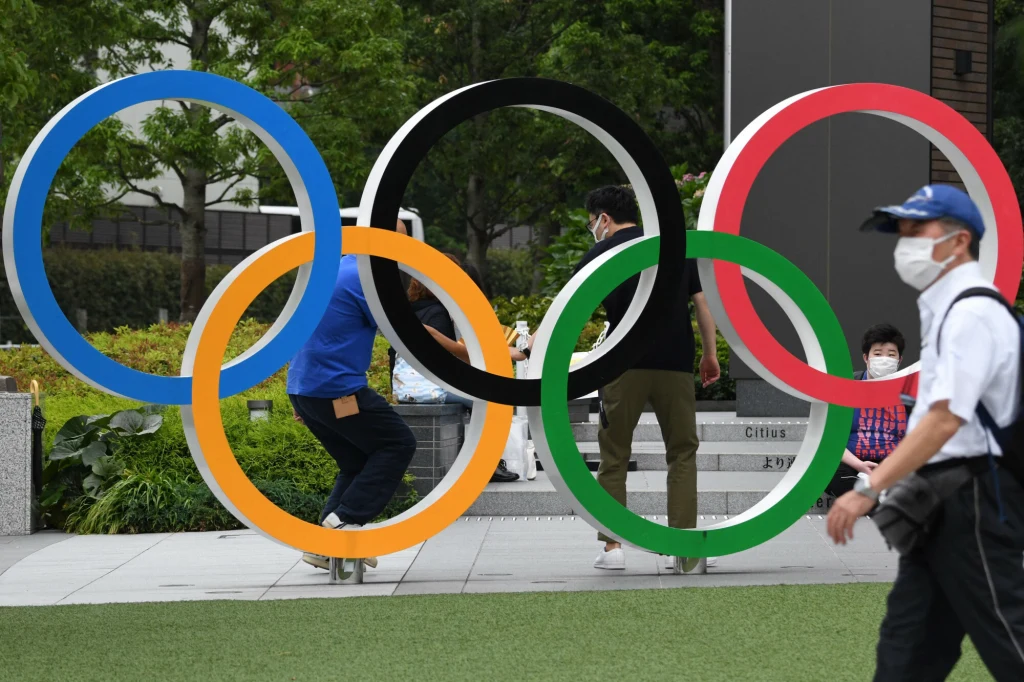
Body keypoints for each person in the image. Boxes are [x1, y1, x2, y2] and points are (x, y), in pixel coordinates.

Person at [826, 184, 1024, 680]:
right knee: (907, 647)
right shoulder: (948, 310)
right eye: (901, 232)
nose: (905, 243)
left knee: (1009, 639)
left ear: (959, 242)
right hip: (942, 499)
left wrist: (867, 488)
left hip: (975, 498)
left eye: (918, 230)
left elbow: (944, 419)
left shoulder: (971, 314)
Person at [529, 185, 721, 571]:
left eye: (591, 223)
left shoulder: (601, 252)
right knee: (682, 452)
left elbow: (570, 307)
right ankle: (686, 551)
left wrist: (536, 342)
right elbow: (703, 304)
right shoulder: (675, 248)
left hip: (622, 366)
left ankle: (613, 547)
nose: (592, 230)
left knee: (614, 456)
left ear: (603, 219)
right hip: (676, 364)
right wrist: (710, 355)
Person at [288, 231, 417, 573]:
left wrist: (302, 400)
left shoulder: (332, 269)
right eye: (401, 241)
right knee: (398, 442)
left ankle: (324, 545)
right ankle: (344, 521)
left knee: (356, 460)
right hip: (337, 391)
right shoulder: (367, 277)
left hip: (307, 390)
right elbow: (405, 331)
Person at [387, 253, 524, 482]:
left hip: (410, 385)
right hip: (429, 386)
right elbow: (444, 360)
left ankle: (484, 460)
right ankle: (489, 463)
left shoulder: (414, 308)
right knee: (490, 400)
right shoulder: (438, 313)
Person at [825, 323, 909, 498]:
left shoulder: (911, 393)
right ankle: (886, 497)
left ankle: (870, 495)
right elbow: (832, 438)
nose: (884, 359)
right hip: (853, 463)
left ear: (899, 360)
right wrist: (858, 465)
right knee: (829, 474)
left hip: (894, 464)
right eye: (877, 354)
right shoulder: (847, 387)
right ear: (866, 357)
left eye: (891, 355)